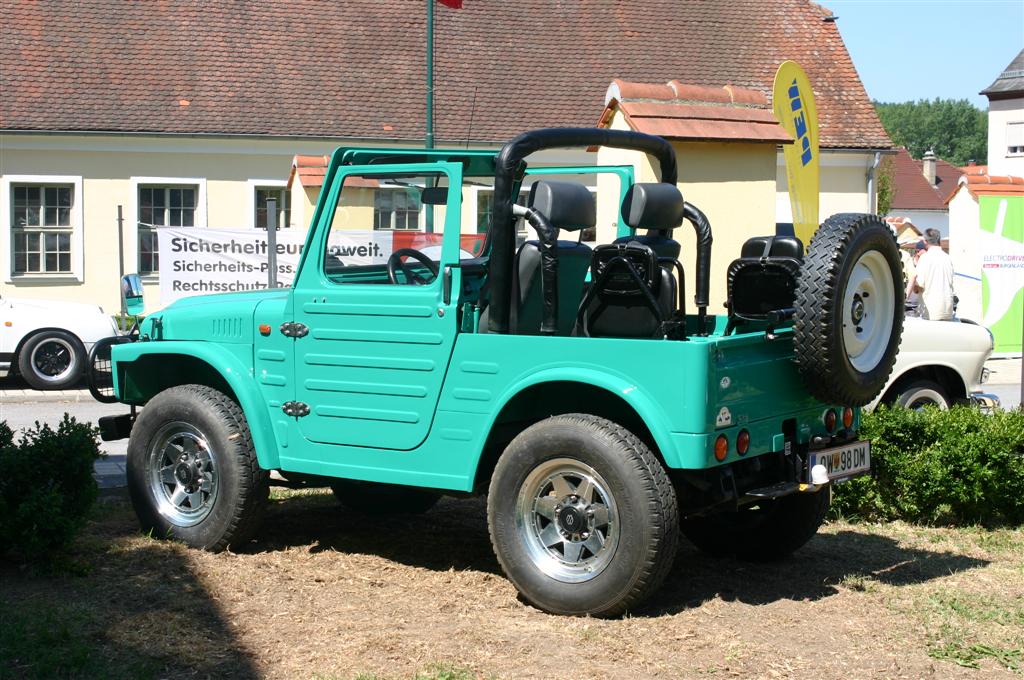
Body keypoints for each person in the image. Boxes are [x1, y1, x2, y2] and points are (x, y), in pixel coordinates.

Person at [908, 229, 954, 321]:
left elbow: (918, 287)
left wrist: (912, 289)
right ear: (939, 240)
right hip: (948, 310)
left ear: (925, 241)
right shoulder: (948, 258)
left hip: (931, 311)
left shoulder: (925, 258)